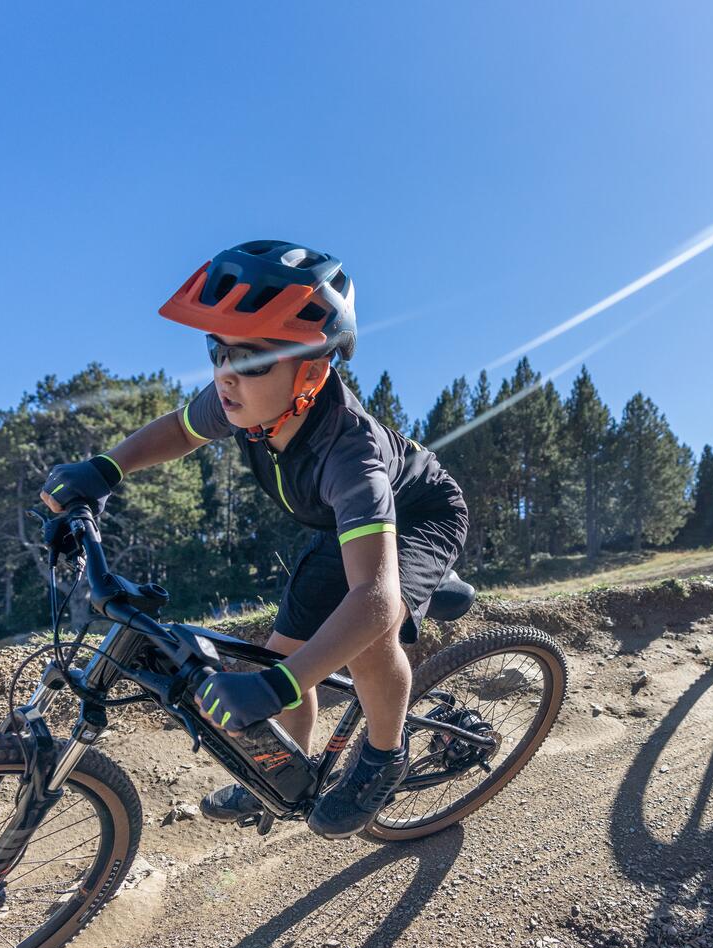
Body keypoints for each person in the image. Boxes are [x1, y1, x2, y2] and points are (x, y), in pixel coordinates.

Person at [38, 240, 468, 839]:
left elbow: (372, 597)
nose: (226, 376)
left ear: (312, 370)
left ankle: (381, 758)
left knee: (369, 636)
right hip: (337, 527)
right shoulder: (242, 403)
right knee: (284, 647)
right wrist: (106, 469)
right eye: (218, 353)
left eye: (252, 361)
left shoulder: (350, 456)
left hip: (420, 514)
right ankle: (285, 767)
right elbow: (179, 431)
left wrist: (281, 685)